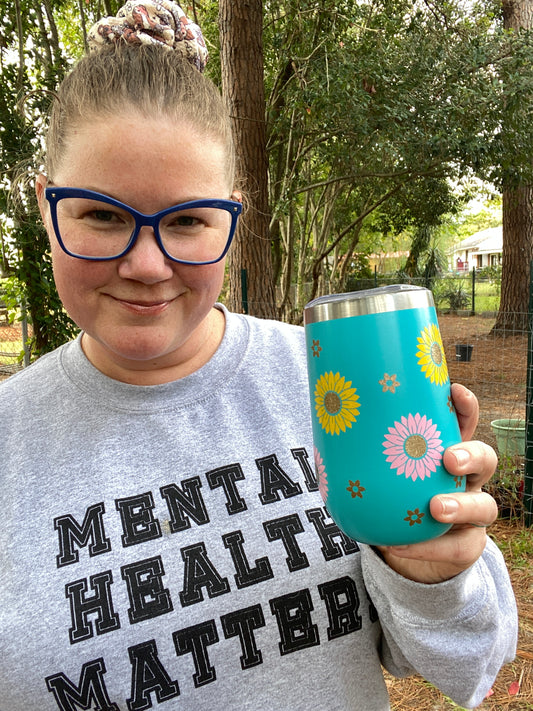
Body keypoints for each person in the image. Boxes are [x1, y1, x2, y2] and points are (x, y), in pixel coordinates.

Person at [0, 2, 517, 709]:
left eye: (186, 220)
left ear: (232, 218)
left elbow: (469, 667)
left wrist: (431, 572)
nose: (146, 264)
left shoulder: (337, 384)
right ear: (47, 205)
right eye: (102, 214)